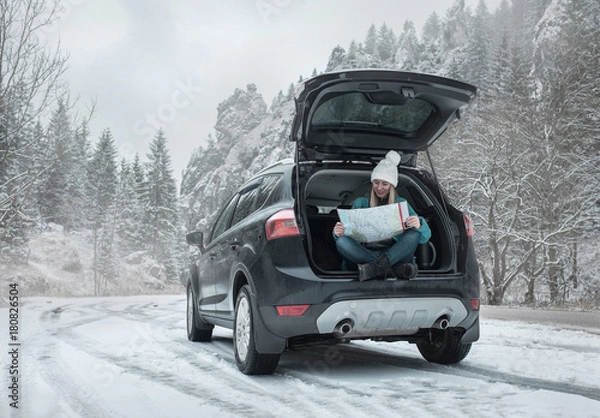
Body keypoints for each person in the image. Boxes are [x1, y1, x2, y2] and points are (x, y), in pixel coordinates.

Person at [332, 150, 431, 281]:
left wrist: (419, 224)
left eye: (385, 184)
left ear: (392, 186)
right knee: (342, 242)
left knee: (414, 234)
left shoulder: (401, 203)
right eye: (376, 182)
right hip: (364, 253)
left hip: (396, 253)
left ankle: (376, 268)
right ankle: (391, 269)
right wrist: (338, 233)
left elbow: (425, 237)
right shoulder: (361, 203)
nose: (379, 187)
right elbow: (348, 232)